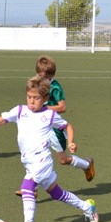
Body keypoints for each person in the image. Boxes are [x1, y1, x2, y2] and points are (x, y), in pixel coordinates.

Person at [0, 76, 99, 222]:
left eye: (36, 98)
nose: (31, 101)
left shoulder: (50, 115)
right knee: (57, 194)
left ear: (45, 99)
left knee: (27, 187)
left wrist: (70, 142)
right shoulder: (20, 110)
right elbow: (0, 120)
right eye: (29, 97)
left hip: (42, 159)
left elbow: (67, 126)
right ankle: (87, 206)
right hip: (28, 161)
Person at [15, 56, 94, 198]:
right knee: (33, 151)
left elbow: (62, 107)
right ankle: (32, 187)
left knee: (62, 160)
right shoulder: (37, 84)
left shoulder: (55, 87)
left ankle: (87, 165)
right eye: (39, 75)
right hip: (41, 125)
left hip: (54, 128)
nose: (41, 79)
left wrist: (44, 108)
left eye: (45, 77)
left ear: (52, 76)